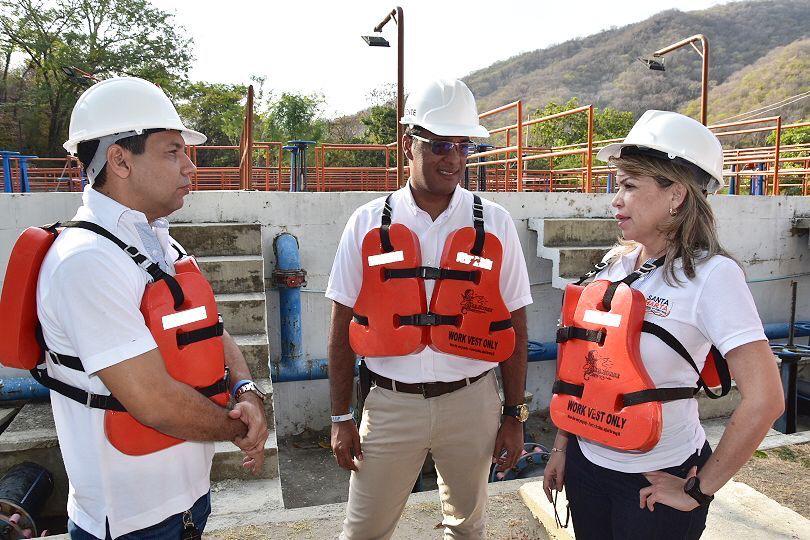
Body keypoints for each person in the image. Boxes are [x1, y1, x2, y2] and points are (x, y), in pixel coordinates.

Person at [36, 77, 269, 539]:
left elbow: (211, 332)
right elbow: (154, 402)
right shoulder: (86, 261)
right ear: (120, 159)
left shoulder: (160, 242)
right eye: (172, 152)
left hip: (187, 504)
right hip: (129, 523)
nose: (190, 167)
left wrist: (245, 389)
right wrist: (237, 427)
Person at [542, 110, 784, 539]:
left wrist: (699, 489)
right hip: (587, 467)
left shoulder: (713, 276)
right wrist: (563, 447)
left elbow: (766, 399)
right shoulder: (614, 265)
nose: (615, 201)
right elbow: (588, 370)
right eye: (618, 186)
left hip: (655, 479)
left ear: (676, 195)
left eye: (630, 187)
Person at [325, 78, 533, 540]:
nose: (454, 159)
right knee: (363, 532)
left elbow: (516, 325)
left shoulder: (495, 222)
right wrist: (340, 417)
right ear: (408, 145)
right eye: (440, 145)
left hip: (473, 401)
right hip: (389, 403)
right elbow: (341, 330)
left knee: (467, 528)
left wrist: (513, 416)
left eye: (463, 146)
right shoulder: (366, 223)